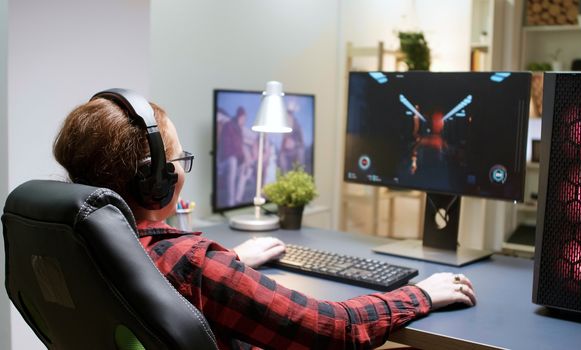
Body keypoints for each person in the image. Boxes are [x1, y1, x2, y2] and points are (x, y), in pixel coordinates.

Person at [53, 90, 477, 350]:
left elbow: (164, 278)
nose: (181, 170)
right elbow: (335, 330)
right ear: (156, 181)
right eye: (179, 159)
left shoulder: (78, 244)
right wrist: (420, 295)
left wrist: (231, 261)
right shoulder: (194, 264)